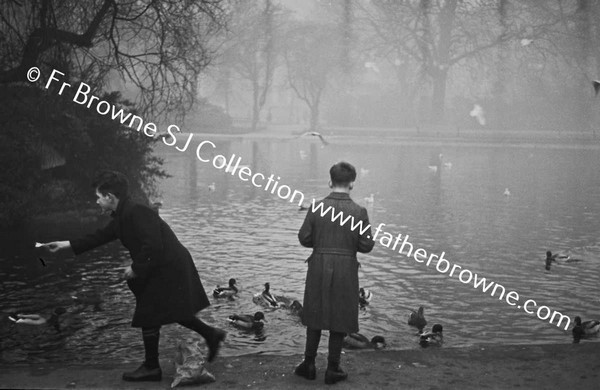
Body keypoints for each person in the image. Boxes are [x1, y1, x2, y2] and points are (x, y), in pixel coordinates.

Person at [45, 170, 225, 382]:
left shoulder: (137, 212)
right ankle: (211, 335)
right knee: (168, 309)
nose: (96, 201)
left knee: (150, 312)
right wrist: (66, 244)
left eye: (98, 197)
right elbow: (101, 236)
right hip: (160, 264)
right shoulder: (124, 214)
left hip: (168, 265)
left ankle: (151, 367)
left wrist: (136, 268)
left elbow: (154, 245)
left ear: (110, 197)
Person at [295, 161, 375, 385]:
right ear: (352, 184)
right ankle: (333, 369)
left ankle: (308, 365)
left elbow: (304, 238)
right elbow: (366, 245)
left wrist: (321, 243)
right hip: (345, 269)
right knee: (339, 316)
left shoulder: (316, 207)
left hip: (319, 265)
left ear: (330, 181)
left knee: (314, 313)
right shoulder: (359, 212)